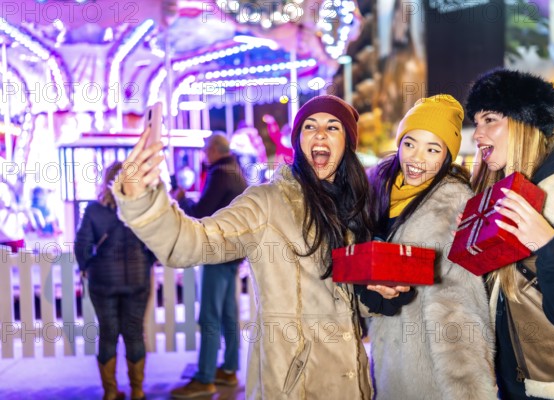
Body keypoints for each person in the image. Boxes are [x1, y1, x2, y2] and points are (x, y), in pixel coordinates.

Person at [111, 95, 405, 399]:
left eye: (333, 127)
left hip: (350, 384)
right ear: (298, 141)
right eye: (309, 126)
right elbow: (191, 242)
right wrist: (142, 201)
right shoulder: (267, 203)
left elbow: (347, 299)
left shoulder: (353, 210)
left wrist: (375, 291)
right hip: (293, 386)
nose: (320, 134)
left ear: (347, 144)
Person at [466, 68, 554, 400]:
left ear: (524, 124)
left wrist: (549, 244)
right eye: (477, 122)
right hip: (516, 385)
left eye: (490, 120)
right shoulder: (500, 192)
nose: (477, 134)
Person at [363, 95, 497, 399]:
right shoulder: (379, 193)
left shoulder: (451, 205)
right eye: (410, 143)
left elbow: (458, 300)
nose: (416, 158)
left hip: (427, 369)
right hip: (387, 359)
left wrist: (467, 385)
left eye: (432, 149)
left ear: (447, 156)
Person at [170, 134, 248, 398]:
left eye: (205, 149)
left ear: (214, 150)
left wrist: (182, 198)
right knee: (228, 315)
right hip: (234, 252)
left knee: (210, 317)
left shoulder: (219, 174)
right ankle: (229, 367)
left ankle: (204, 377)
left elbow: (201, 212)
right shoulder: (236, 171)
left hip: (218, 252)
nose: (204, 154)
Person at [75, 161, 156, 400]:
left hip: (103, 282)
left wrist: (88, 267)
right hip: (137, 280)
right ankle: (138, 390)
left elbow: (82, 245)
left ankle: (110, 392)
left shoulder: (94, 210)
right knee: (134, 332)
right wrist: (146, 262)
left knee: (108, 333)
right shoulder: (142, 209)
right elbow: (154, 243)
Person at [0, 155, 26, 252]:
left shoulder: (3, 164)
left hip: (9, 229)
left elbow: (18, 189)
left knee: (16, 262)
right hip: (7, 230)